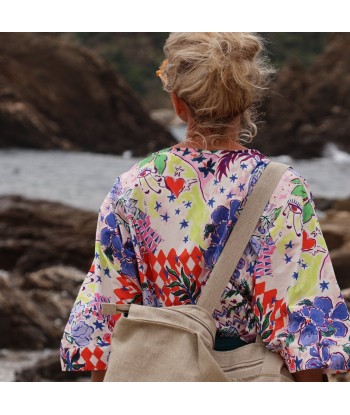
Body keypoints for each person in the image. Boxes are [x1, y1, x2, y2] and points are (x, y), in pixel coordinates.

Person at [60, 32, 350, 382]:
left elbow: (106, 315)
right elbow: (303, 320)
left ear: (179, 103)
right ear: (246, 101)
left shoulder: (132, 186)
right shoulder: (281, 189)